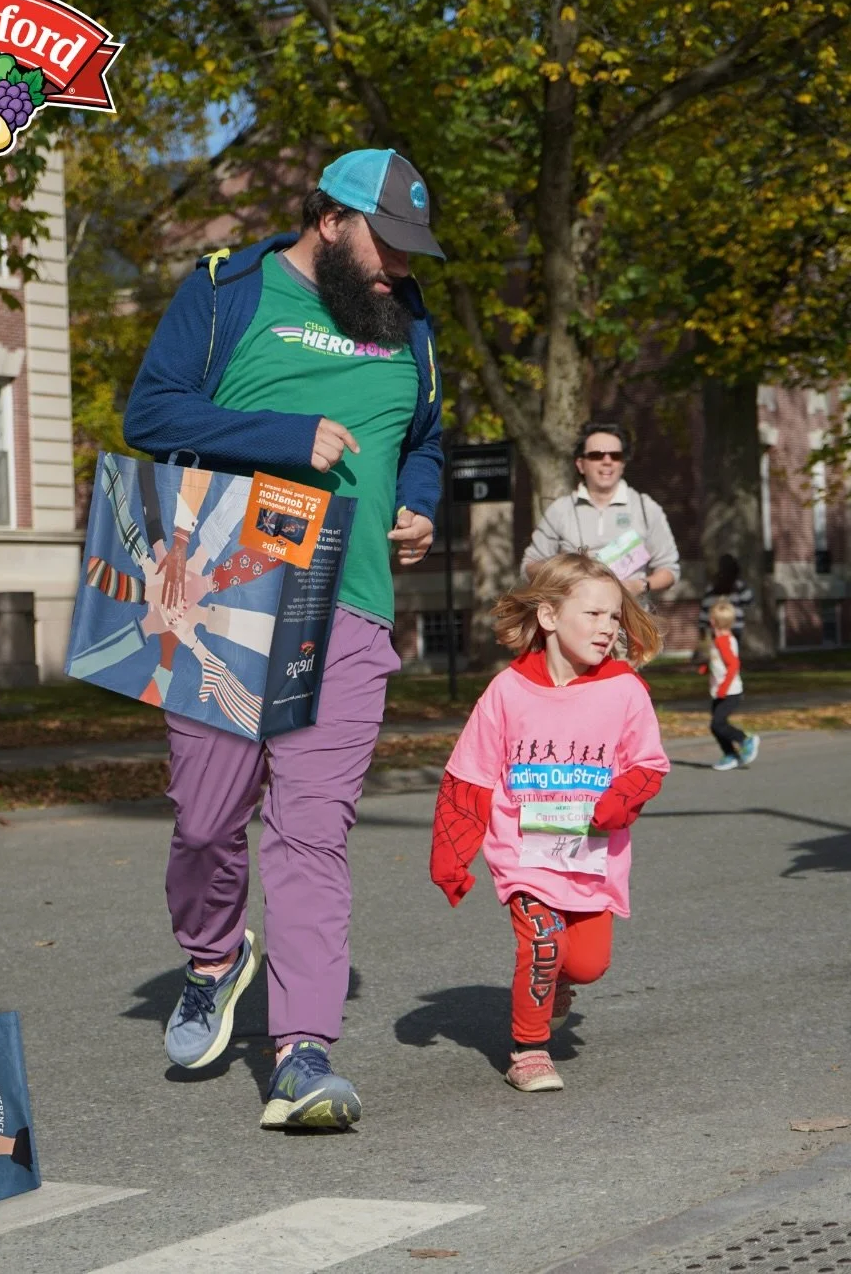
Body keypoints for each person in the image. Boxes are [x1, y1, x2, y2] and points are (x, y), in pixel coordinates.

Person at [123, 147, 445, 1129]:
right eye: (386, 244)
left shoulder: (409, 320)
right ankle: (216, 962)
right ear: (330, 219)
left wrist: (420, 504)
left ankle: (303, 1052)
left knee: (312, 831)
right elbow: (152, 412)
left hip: (348, 607)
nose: (398, 267)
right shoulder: (228, 292)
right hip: (225, 592)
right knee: (207, 818)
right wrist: (282, 435)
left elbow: (422, 435)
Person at [428, 553, 669, 1091]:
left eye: (615, 616)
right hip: (523, 853)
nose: (608, 628)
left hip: (590, 856)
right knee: (541, 941)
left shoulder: (625, 689)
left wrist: (619, 801)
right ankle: (529, 1049)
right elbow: (470, 775)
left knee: (586, 963)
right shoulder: (507, 691)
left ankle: (560, 983)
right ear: (550, 617)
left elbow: (648, 764)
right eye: (594, 614)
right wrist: (452, 854)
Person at [521, 421, 680, 604]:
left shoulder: (646, 508)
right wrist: (567, 574)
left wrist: (640, 585)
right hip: (575, 623)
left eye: (615, 455)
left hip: (631, 623)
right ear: (581, 465)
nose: (607, 461)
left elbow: (669, 570)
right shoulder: (560, 510)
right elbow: (529, 566)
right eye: (597, 455)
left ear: (622, 464)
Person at [704, 598, 760, 771]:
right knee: (716, 726)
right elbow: (721, 662)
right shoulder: (722, 639)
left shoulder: (723, 641)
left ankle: (745, 739)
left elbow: (733, 664)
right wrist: (705, 668)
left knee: (717, 724)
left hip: (729, 692)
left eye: (711, 618)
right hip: (720, 691)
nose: (710, 620)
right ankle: (730, 754)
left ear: (715, 621)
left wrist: (723, 688)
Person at [698, 553, 754, 641]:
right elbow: (748, 601)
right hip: (735, 626)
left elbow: (705, 609)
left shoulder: (712, 588)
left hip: (716, 628)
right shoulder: (739, 586)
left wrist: (702, 626)